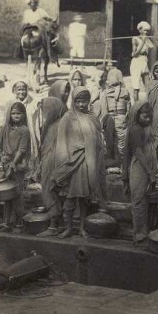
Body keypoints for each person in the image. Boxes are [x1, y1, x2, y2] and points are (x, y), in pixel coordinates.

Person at [52, 87, 106, 238]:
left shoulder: (92, 117)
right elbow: (62, 142)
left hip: (88, 164)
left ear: (89, 101)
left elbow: (98, 140)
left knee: (84, 198)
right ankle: (68, 228)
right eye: (78, 101)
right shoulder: (67, 118)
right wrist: (65, 160)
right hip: (72, 163)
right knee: (69, 198)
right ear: (73, 101)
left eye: (84, 101)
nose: (81, 104)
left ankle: (81, 227)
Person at [123, 102, 158, 245]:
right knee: (138, 201)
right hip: (140, 167)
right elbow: (138, 152)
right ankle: (139, 234)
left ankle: (145, 230)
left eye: (150, 116)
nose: (148, 119)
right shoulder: (136, 130)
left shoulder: (146, 127)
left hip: (148, 166)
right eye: (145, 116)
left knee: (146, 200)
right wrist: (150, 172)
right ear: (137, 115)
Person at [35, 97, 67, 237]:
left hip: (54, 163)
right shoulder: (56, 124)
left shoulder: (57, 126)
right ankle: (60, 224)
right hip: (52, 162)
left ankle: (54, 226)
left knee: (50, 191)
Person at [0, 101, 30, 231]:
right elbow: (1, 146)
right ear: (9, 114)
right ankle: (7, 222)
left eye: (19, 113)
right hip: (6, 164)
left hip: (17, 165)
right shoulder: (5, 129)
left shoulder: (24, 130)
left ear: (23, 115)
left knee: (17, 193)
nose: (16, 116)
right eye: (13, 113)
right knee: (6, 194)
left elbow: (22, 149)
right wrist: (1, 161)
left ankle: (19, 222)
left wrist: (13, 163)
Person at [95, 68, 131, 159]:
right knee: (109, 140)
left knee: (121, 142)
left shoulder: (125, 91)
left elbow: (128, 106)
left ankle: (122, 161)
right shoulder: (105, 93)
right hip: (110, 119)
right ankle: (112, 160)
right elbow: (104, 110)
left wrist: (127, 117)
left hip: (121, 119)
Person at [8, 81, 38, 177]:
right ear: (14, 91)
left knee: (30, 154)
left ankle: (30, 177)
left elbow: (36, 121)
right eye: (19, 89)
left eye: (23, 89)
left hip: (29, 133)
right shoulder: (11, 103)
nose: (21, 92)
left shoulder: (32, 103)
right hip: (16, 135)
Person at [130, 21, 155, 102]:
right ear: (140, 30)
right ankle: (136, 106)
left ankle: (149, 104)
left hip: (144, 61)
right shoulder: (135, 39)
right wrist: (143, 41)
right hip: (136, 62)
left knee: (148, 86)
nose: (146, 32)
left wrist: (146, 40)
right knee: (136, 87)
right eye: (144, 30)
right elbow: (134, 54)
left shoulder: (147, 39)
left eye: (147, 31)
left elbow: (153, 47)